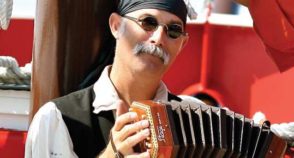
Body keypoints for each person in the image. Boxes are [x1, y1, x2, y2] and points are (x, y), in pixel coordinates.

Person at [25, 0, 192, 157]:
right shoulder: (56, 119)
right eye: (148, 22)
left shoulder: (192, 123)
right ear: (116, 26)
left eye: (174, 30)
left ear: (182, 44)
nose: (158, 38)